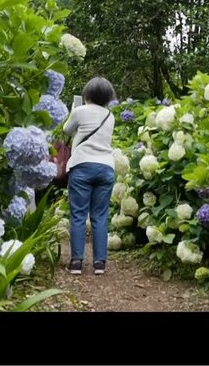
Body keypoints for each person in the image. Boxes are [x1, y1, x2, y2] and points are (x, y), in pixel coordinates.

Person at [62, 77, 116, 275]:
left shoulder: (79, 111)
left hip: (82, 165)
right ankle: (99, 263)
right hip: (106, 167)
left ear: (87, 94)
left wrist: (73, 112)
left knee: (78, 215)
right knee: (100, 216)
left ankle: (76, 262)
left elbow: (66, 130)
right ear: (108, 97)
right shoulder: (110, 116)